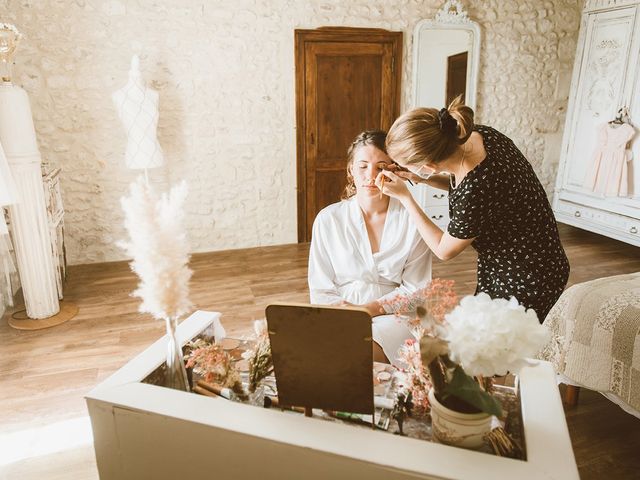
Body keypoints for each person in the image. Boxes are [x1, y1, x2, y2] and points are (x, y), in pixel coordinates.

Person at [377, 97, 569, 322]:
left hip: (527, 276)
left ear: (429, 165)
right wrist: (421, 178)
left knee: (501, 347)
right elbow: (464, 185)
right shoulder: (477, 135)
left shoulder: (476, 189)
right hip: (529, 255)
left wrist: (405, 197)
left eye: (407, 164)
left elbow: (443, 250)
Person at [308, 130, 432, 365]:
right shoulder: (328, 220)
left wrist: (368, 309)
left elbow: (416, 291)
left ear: (393, 170)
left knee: (358, 355)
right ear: (350, 171)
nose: (370, 175)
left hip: (396, 315)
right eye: (363, 166)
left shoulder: (412, 220)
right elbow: (320, 288)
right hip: (342, 311)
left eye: (380, 166)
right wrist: (343, 313)